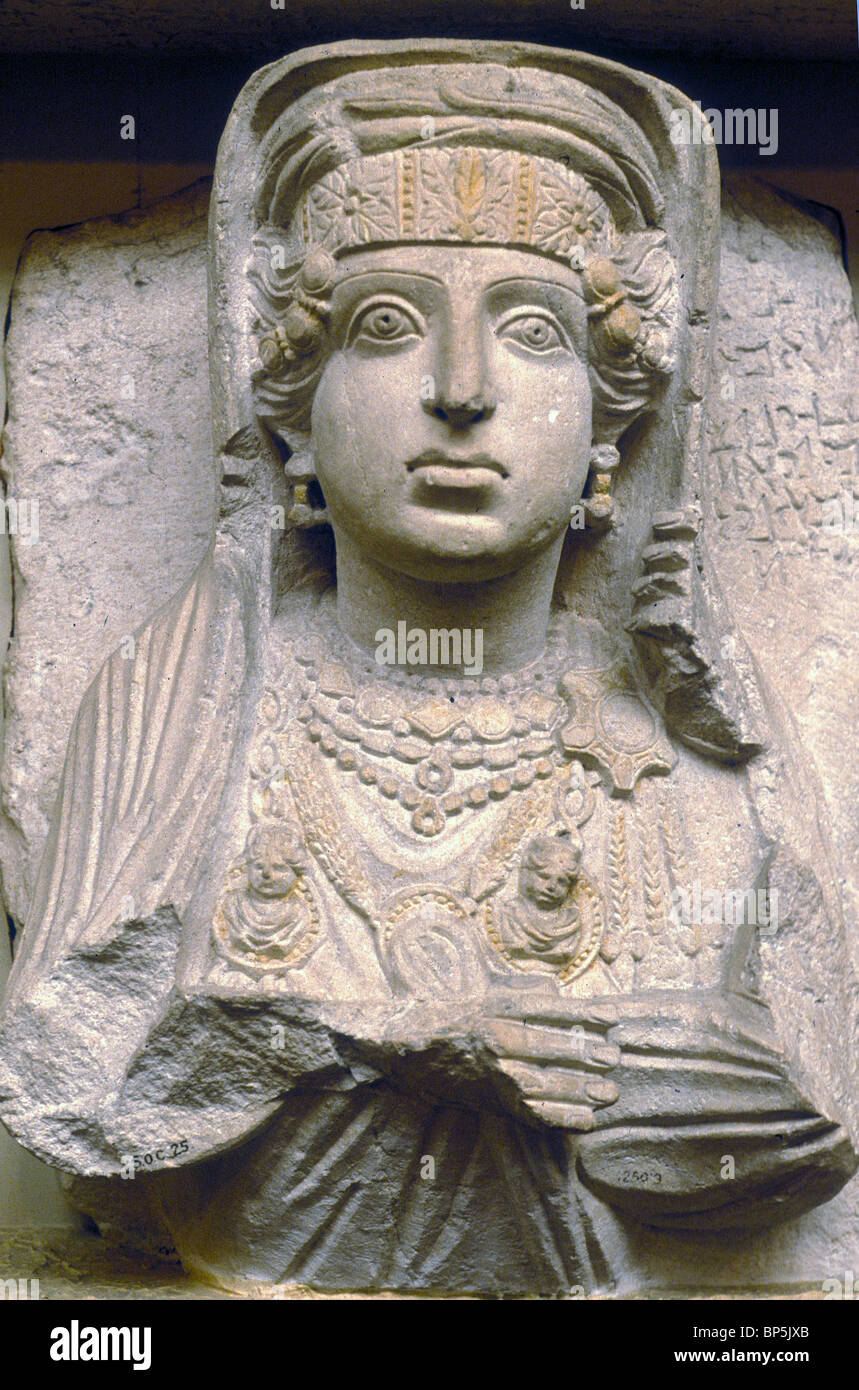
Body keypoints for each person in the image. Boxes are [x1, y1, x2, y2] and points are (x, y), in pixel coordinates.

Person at [0, 42, 854, 1296]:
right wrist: (403, 1042)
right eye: (387, 327)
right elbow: (65, 1080)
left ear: (616, 417)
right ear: (291, 396)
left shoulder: (695, 754)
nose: (462, 393)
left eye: (533, 332)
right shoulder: (180, 704)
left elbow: (811, 1115)